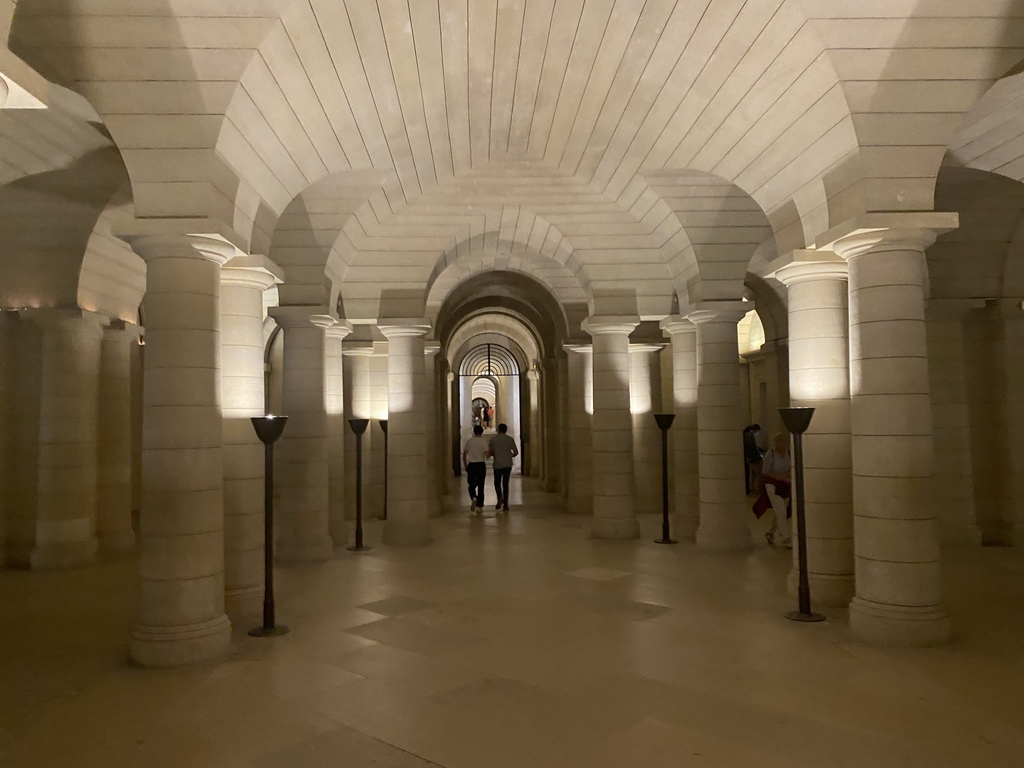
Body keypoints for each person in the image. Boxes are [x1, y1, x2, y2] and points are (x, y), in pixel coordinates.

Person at [753, 432, 792, 548]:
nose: (779, 443)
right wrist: (778, 476)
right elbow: (765, 471)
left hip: (785, 485)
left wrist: (787, 475)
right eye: (777, 441)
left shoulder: (789, 454)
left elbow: (792, 468)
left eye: (781, 441)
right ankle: (786, 538)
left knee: (782, 511)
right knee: (781, 510)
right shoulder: (771, 454)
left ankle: (770, 532)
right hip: (772, 486)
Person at [489, 423, 519, 512]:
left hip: (498, 464)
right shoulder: (510, 439)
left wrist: (496, 454)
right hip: (507, 464)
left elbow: (491, 452)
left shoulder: (494, 440)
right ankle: (506, 504)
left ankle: (499, 498)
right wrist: (510, 455)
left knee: (497, 483)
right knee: (505, 484)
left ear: (498, 430)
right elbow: (516, 452)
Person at [463, 425, 489, 512]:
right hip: (480, 465)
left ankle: (473, 497)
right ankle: (480, 505)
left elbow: (465, 454)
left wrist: (466, 465)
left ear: (474, 432)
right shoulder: (484, 441)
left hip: (472, 465)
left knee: (471, 484)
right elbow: (487, 455)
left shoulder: (470, 441)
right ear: (482, 432)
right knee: (481, 485)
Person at [743, 423, 764, 496]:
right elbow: (752, 448)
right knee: (758, 474)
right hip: (754, 458)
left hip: (750, 458)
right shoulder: (750, 435)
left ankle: (752, 490)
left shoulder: (746, 434)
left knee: (752, 475)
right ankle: (757, 489)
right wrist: (759, 455)